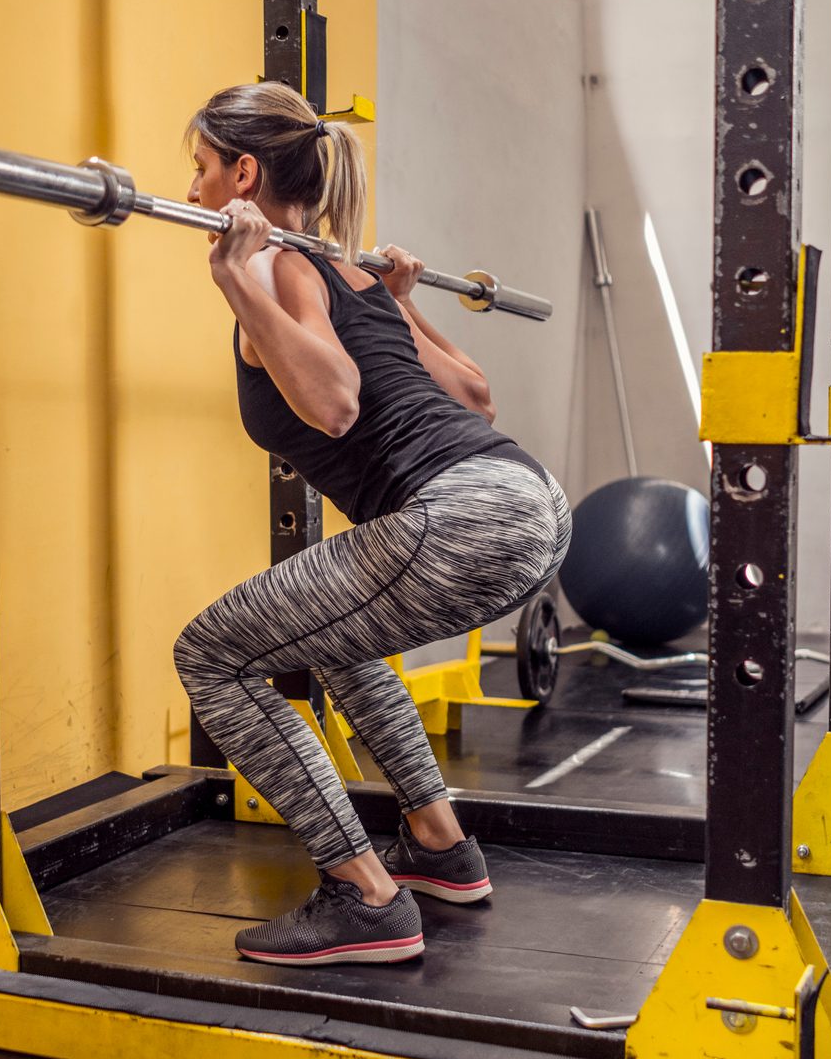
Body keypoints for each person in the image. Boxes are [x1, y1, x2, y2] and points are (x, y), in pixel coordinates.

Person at [175, 82, 571, 966]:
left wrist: (235, 276)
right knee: (332, 636)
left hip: (461, 516)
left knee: (210, 655)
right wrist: (401, 300)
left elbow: (335, 404)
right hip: (533, 502)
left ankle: (364, 896)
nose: (193, 190)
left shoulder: (274, 267)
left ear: (244, 175)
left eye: (201, 168)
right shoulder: (351, 276)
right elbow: (476, 396)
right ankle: (439, 846)